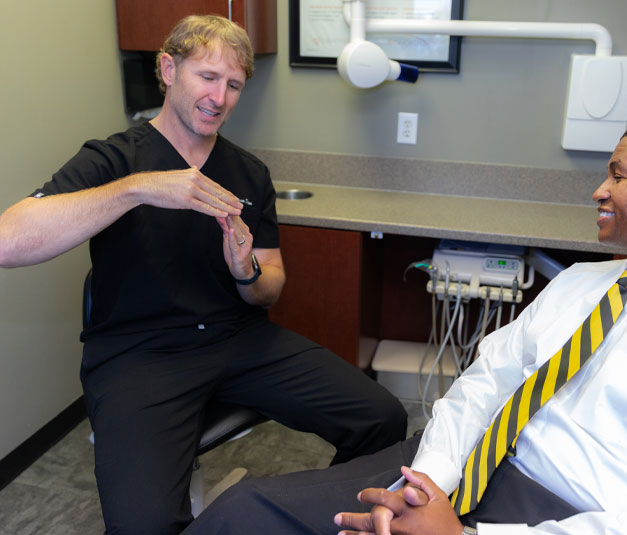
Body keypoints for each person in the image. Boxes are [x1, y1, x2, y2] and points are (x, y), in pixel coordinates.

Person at [183, 113, 627, 535]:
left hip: (567, 513)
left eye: (617, 173)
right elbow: (484, 382)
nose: (598, 191)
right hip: (458, 461)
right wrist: (430, 485)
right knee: (244, 513)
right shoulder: (583, 284)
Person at [0, 15, 407, 535]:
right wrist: (139, 189)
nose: (221, 97)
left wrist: (246, 271)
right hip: (139, 353)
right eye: (207, 77)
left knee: (383, 419)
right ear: (168, 69)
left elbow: (270, 287)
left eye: (234, 84)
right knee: (142, 524)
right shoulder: (114, 160)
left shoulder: (248, 173)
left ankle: (313, 518)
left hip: (238, 340)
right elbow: (10, 241)